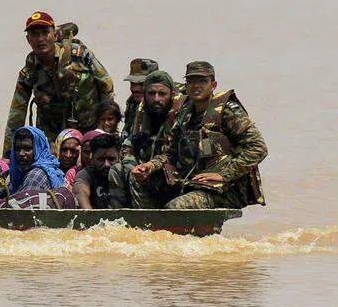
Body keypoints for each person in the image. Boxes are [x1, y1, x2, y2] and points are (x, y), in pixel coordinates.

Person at [129, 61, 267, 210]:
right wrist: (150, 166)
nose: (196, 86)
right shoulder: (184, 113)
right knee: (137, 178)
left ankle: (168, 223)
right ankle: (147, 223)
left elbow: (258, 148)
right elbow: (171, 153)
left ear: (213, 85)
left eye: (202, 81)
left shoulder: (227, 111)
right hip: (191, 182)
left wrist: (224, 175)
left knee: (177, 207)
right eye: (191, 81)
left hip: (223, 188)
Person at [2, 11, 114, 157]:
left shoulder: (79, 56)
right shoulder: (29, 71)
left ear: (54, 35)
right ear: (28, 39)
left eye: (45, 33)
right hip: (53, 138)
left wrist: (106, 128)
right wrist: (7, 155)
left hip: (89, 128)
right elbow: (16, 114)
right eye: (35, 34)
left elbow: (106, 85)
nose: (40, 39)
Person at [109, 69, 180, 208]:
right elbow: (130, 143)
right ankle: (120, 217)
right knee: (117, 169)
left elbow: (173, 153)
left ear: (171, 94)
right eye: (151, 93)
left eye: (162, 94)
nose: (156, 99)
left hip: (171, 171)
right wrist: (131, 164)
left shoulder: (181, 114)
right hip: (148, 167)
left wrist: (150, 166)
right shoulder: (144, 110)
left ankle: (145, 219)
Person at [74, 133, 121, 209]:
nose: (106, 164)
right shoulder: (87, 174)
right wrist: (89, 214)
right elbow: (81, 192)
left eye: (111, 159)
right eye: (101, 159)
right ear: (92, 158)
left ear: (119, 157)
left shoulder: (125, 173)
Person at [121, 58, 159, 137]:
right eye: (132, 83)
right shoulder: (132, 102)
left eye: (142, 83)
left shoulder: (164, 105)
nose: (135, 89)